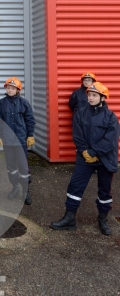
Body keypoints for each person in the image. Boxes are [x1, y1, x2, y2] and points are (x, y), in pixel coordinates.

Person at [51, 82, 119, 235]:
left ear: (102, 97)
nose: (90, 97)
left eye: (94, 95)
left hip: (105, 159)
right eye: (89, 95)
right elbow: (77, 134)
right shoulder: (81, 113)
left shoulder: (110, 117)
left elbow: (111, 140)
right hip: (85, 158)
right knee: (75, 186)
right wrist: (84, 152)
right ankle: (69, 218)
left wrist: (94, 152)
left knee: (105, 191)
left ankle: (103, 220)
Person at [0, 77, 35, 205]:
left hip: (21, 139)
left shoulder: (24, 103)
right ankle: (15, 187)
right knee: (11, 166)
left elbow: (30, 120)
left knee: (23, 165)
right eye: (8, 88)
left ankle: (25, 191)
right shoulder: (1, 103)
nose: (10, 90)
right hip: (7, 140)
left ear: (18, 90)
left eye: (13, 88)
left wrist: (30, 135)